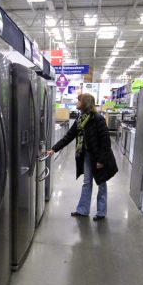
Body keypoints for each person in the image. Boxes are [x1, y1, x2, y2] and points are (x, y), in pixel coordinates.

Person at [47, 93, 118, 221]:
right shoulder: (80, 119)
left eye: (78, 100)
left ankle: (101, 212)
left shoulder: (98, 119)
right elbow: (68, 136)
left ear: (85, 103)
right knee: (87, 182)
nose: (76, 102)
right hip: (86, 156)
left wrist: (101, 160)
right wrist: (54, 149)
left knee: (101, 182)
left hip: (99, 157)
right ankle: (83, 210)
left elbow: (106, 142)